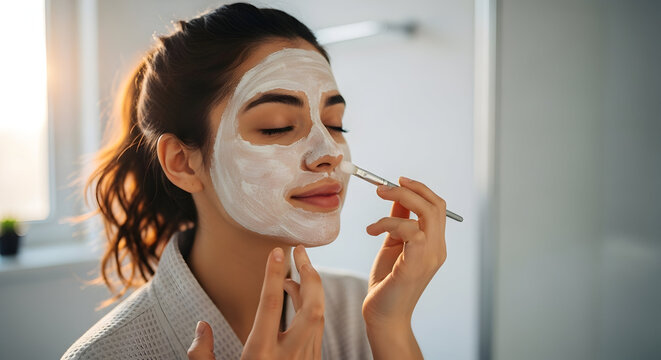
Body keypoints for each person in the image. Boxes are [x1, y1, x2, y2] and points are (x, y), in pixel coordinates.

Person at [62, 3, 448, 360]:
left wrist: (391, 328)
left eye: (335, 123)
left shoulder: (362, 309)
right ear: (182, 163)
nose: (329, 151)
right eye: (276, 127)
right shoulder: (106, 354)